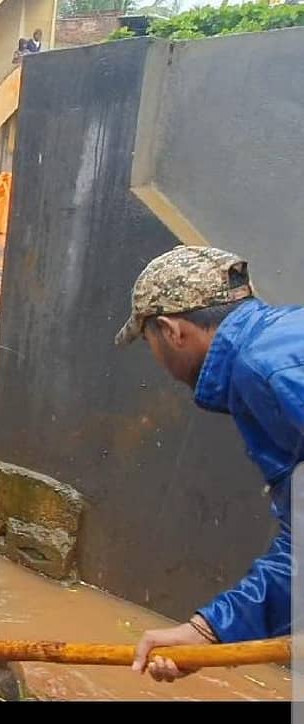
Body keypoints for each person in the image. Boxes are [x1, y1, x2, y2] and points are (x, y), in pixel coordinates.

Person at [115, 245, 302, 682]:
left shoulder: (266, 370)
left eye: (149, 343)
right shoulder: (282, 339)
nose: (158, 360)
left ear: (171, 330)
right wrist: (209, 631)